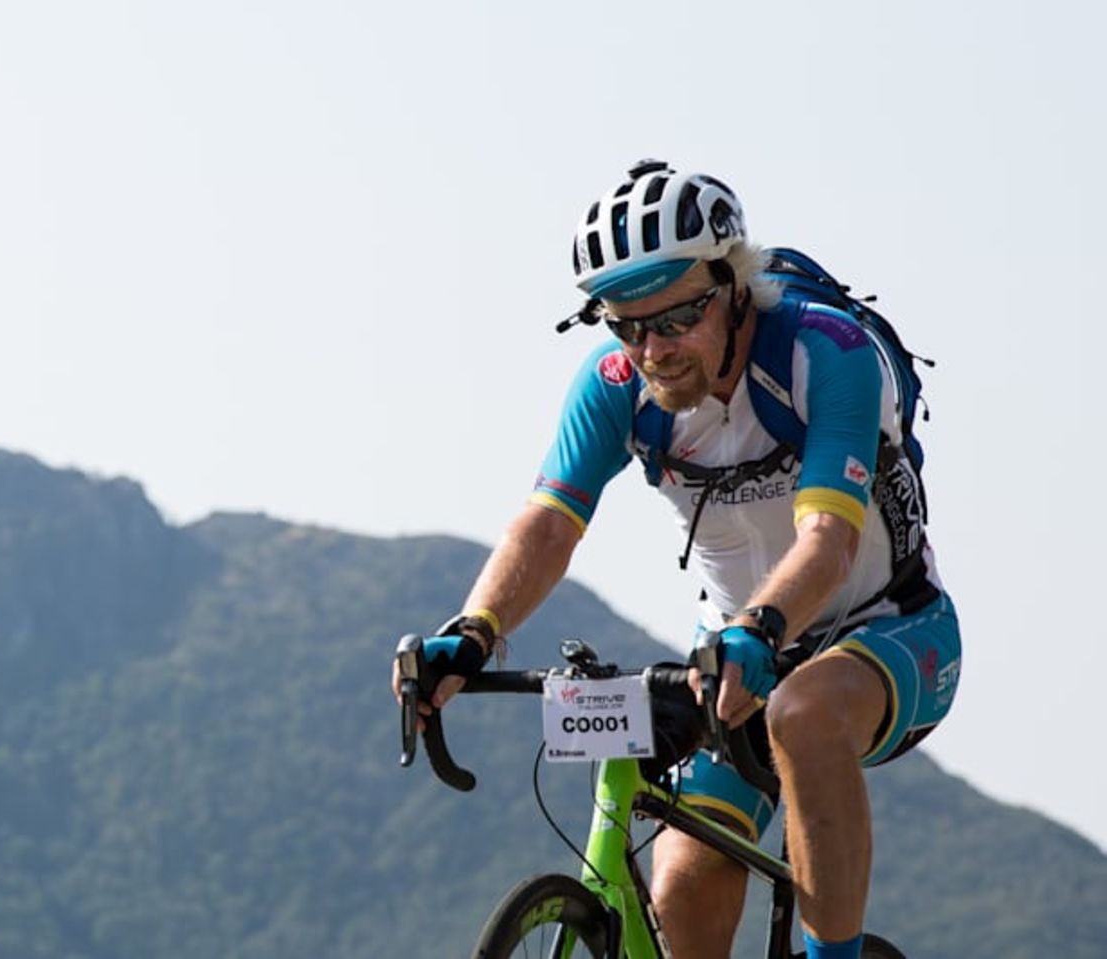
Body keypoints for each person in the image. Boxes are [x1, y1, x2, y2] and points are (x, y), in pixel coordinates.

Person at [392, 160, 962, 959]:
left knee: (802, 713)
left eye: (676, 318)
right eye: (625, 325)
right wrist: (474, 629)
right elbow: (547, 526)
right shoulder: (617, 382)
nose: (651, 349)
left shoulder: (823, 353)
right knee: (684, 884)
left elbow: (827, 544)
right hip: (731, 645)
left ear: (735, 286)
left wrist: (760, 628)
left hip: (888, 630)